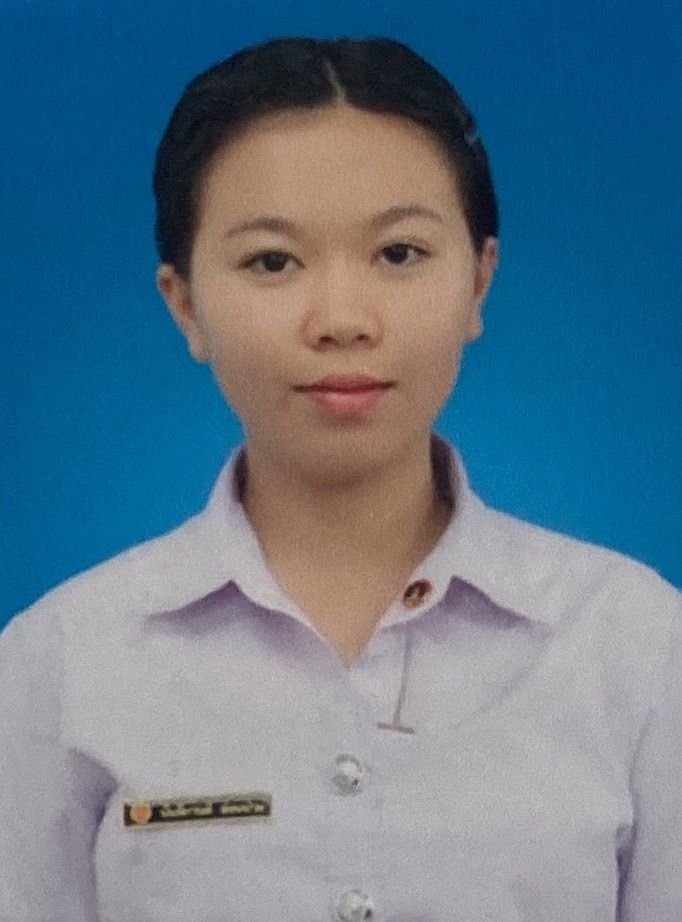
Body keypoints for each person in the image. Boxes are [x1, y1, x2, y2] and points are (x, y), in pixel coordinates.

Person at [0, 34, 680, 922]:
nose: (342, 320)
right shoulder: (59, 664)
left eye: (398, 253)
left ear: (479, 283)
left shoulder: (637, 647)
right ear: (185, 304)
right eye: (272, 261)